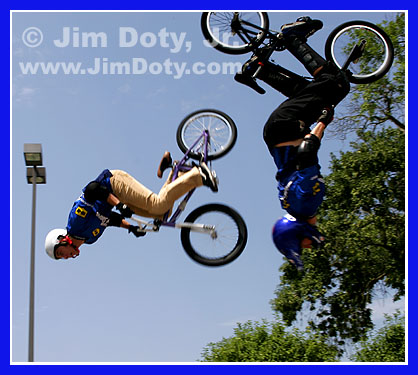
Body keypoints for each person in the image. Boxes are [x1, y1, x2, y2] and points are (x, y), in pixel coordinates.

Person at [235, 16, 351, 270]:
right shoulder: (288, 204)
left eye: (303, 245)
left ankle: (292, 39)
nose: (308, 245)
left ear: (299, 232)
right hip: (278, 132)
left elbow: (308, 150)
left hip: (289, 126)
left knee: (337, 84)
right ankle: (260, 69)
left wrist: (323, 121)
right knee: (309, 91)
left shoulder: (306, 204)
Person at [45, 153, 218, 260]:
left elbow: (93, 189)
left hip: (113, 183)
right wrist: (131, 228)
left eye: (61, 253)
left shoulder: (75, 223)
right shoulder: (89, 239)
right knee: (161, 215)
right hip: (117, 198)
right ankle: (177, 170)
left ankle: (198, 175)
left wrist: (119, 205)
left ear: (62, 239)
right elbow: (108, 219)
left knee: (157, 205)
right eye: (62, 258)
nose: (66, 257)